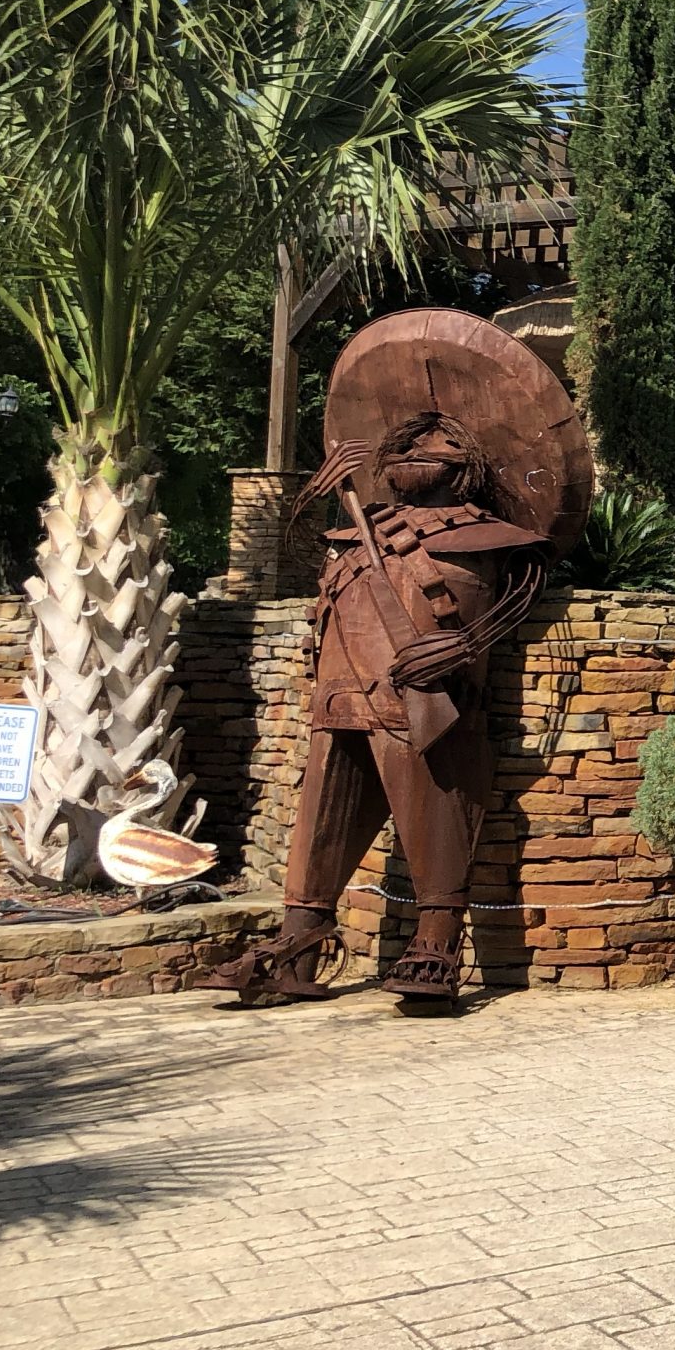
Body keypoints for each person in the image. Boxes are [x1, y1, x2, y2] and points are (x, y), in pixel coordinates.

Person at [201, 412, 545, 1004]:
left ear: (465, 463)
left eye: (434, 445)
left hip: (427, 701)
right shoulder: (358, 531)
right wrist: (313, 496)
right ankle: (297, 945)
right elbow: (291, 559)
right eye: (406, 445)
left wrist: (464, 643)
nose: (417, 452)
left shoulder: (491, 538)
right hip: (339, 699)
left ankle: (437, 940)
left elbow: (522, 593)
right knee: (318, 820)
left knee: (436, 807)